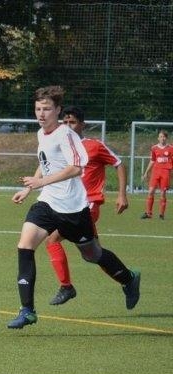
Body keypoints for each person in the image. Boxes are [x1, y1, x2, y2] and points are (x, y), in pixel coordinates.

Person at [8, 86, 140, 329]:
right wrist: (30, 188)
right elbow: (45, 163)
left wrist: (41, 182)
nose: (41, 113)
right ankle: (27, 310)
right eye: (38, 109)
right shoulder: (41, 133)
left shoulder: (66, 135)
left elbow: (76, 168)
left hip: (73, 209)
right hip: (47, 203)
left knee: (92, 255)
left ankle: (129, 278)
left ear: (57, 110)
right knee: (25, 246)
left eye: (47, 109)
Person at [44, 105, 129, 305]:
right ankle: (129, 279)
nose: (68, 126)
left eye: (72, 122)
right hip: (67, 205)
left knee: (52, 239)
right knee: (93, 254)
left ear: (83, 125)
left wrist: (122, 195)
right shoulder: (61, 146)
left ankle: (66, 287)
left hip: (88, 204)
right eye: (65, 122)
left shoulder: (94, 145)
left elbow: (118, 164)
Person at [140, 129, 170, 220]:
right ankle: (148, 213)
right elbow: (152, 160)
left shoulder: (171, 148)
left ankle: (161, 214)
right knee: (150, 191)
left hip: (165, 172)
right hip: (155, 172)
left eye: (164, 137)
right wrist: (146, 172)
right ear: (158, 138)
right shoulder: (154, 148)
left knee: (163, 193)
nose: (162, 138)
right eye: (161, 136)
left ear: (166, 138)